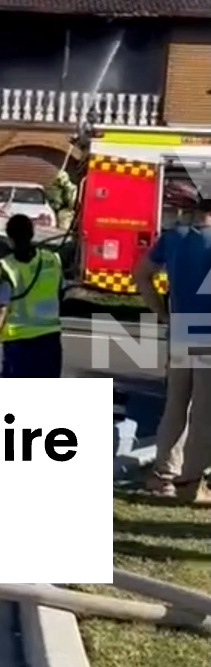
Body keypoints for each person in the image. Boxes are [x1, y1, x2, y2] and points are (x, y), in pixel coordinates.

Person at [133, 194, 211, 505]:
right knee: (204, 411)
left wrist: (162, 313)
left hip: (181, 327)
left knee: (177, 404)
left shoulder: (174, 236)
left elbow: (141, 274)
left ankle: (164, 474)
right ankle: (191, 482)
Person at [0, 214, 64, 376]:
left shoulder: (8, 266)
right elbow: (58, 291)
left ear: (9, 239)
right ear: (32, 234)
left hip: (19, 341)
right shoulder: (52, 259)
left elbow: (2, 307)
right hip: (50, 337)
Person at [45, 168, 78, 233]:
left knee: (63, 229)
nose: (60, 181)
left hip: (65, 211)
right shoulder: (54, 187)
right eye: (59, 179)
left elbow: (71, 201)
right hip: (55, 210)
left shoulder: (71, 188)